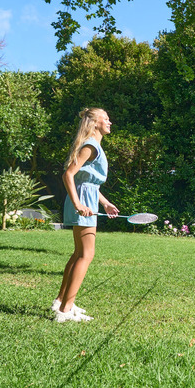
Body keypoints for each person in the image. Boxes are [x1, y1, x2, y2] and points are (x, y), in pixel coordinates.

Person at [52, 108, 119, 322]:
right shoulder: (90, 145)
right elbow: (68, 175)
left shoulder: (94, 145)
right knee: (86, 255)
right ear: (95, 123)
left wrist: (106, 203)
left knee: (79, 253)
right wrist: (78, 203)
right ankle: (65, 310)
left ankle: (61, 301)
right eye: (106, 119)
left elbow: (89, 182)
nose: (110, 122)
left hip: (87, 198)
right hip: (82, 201)